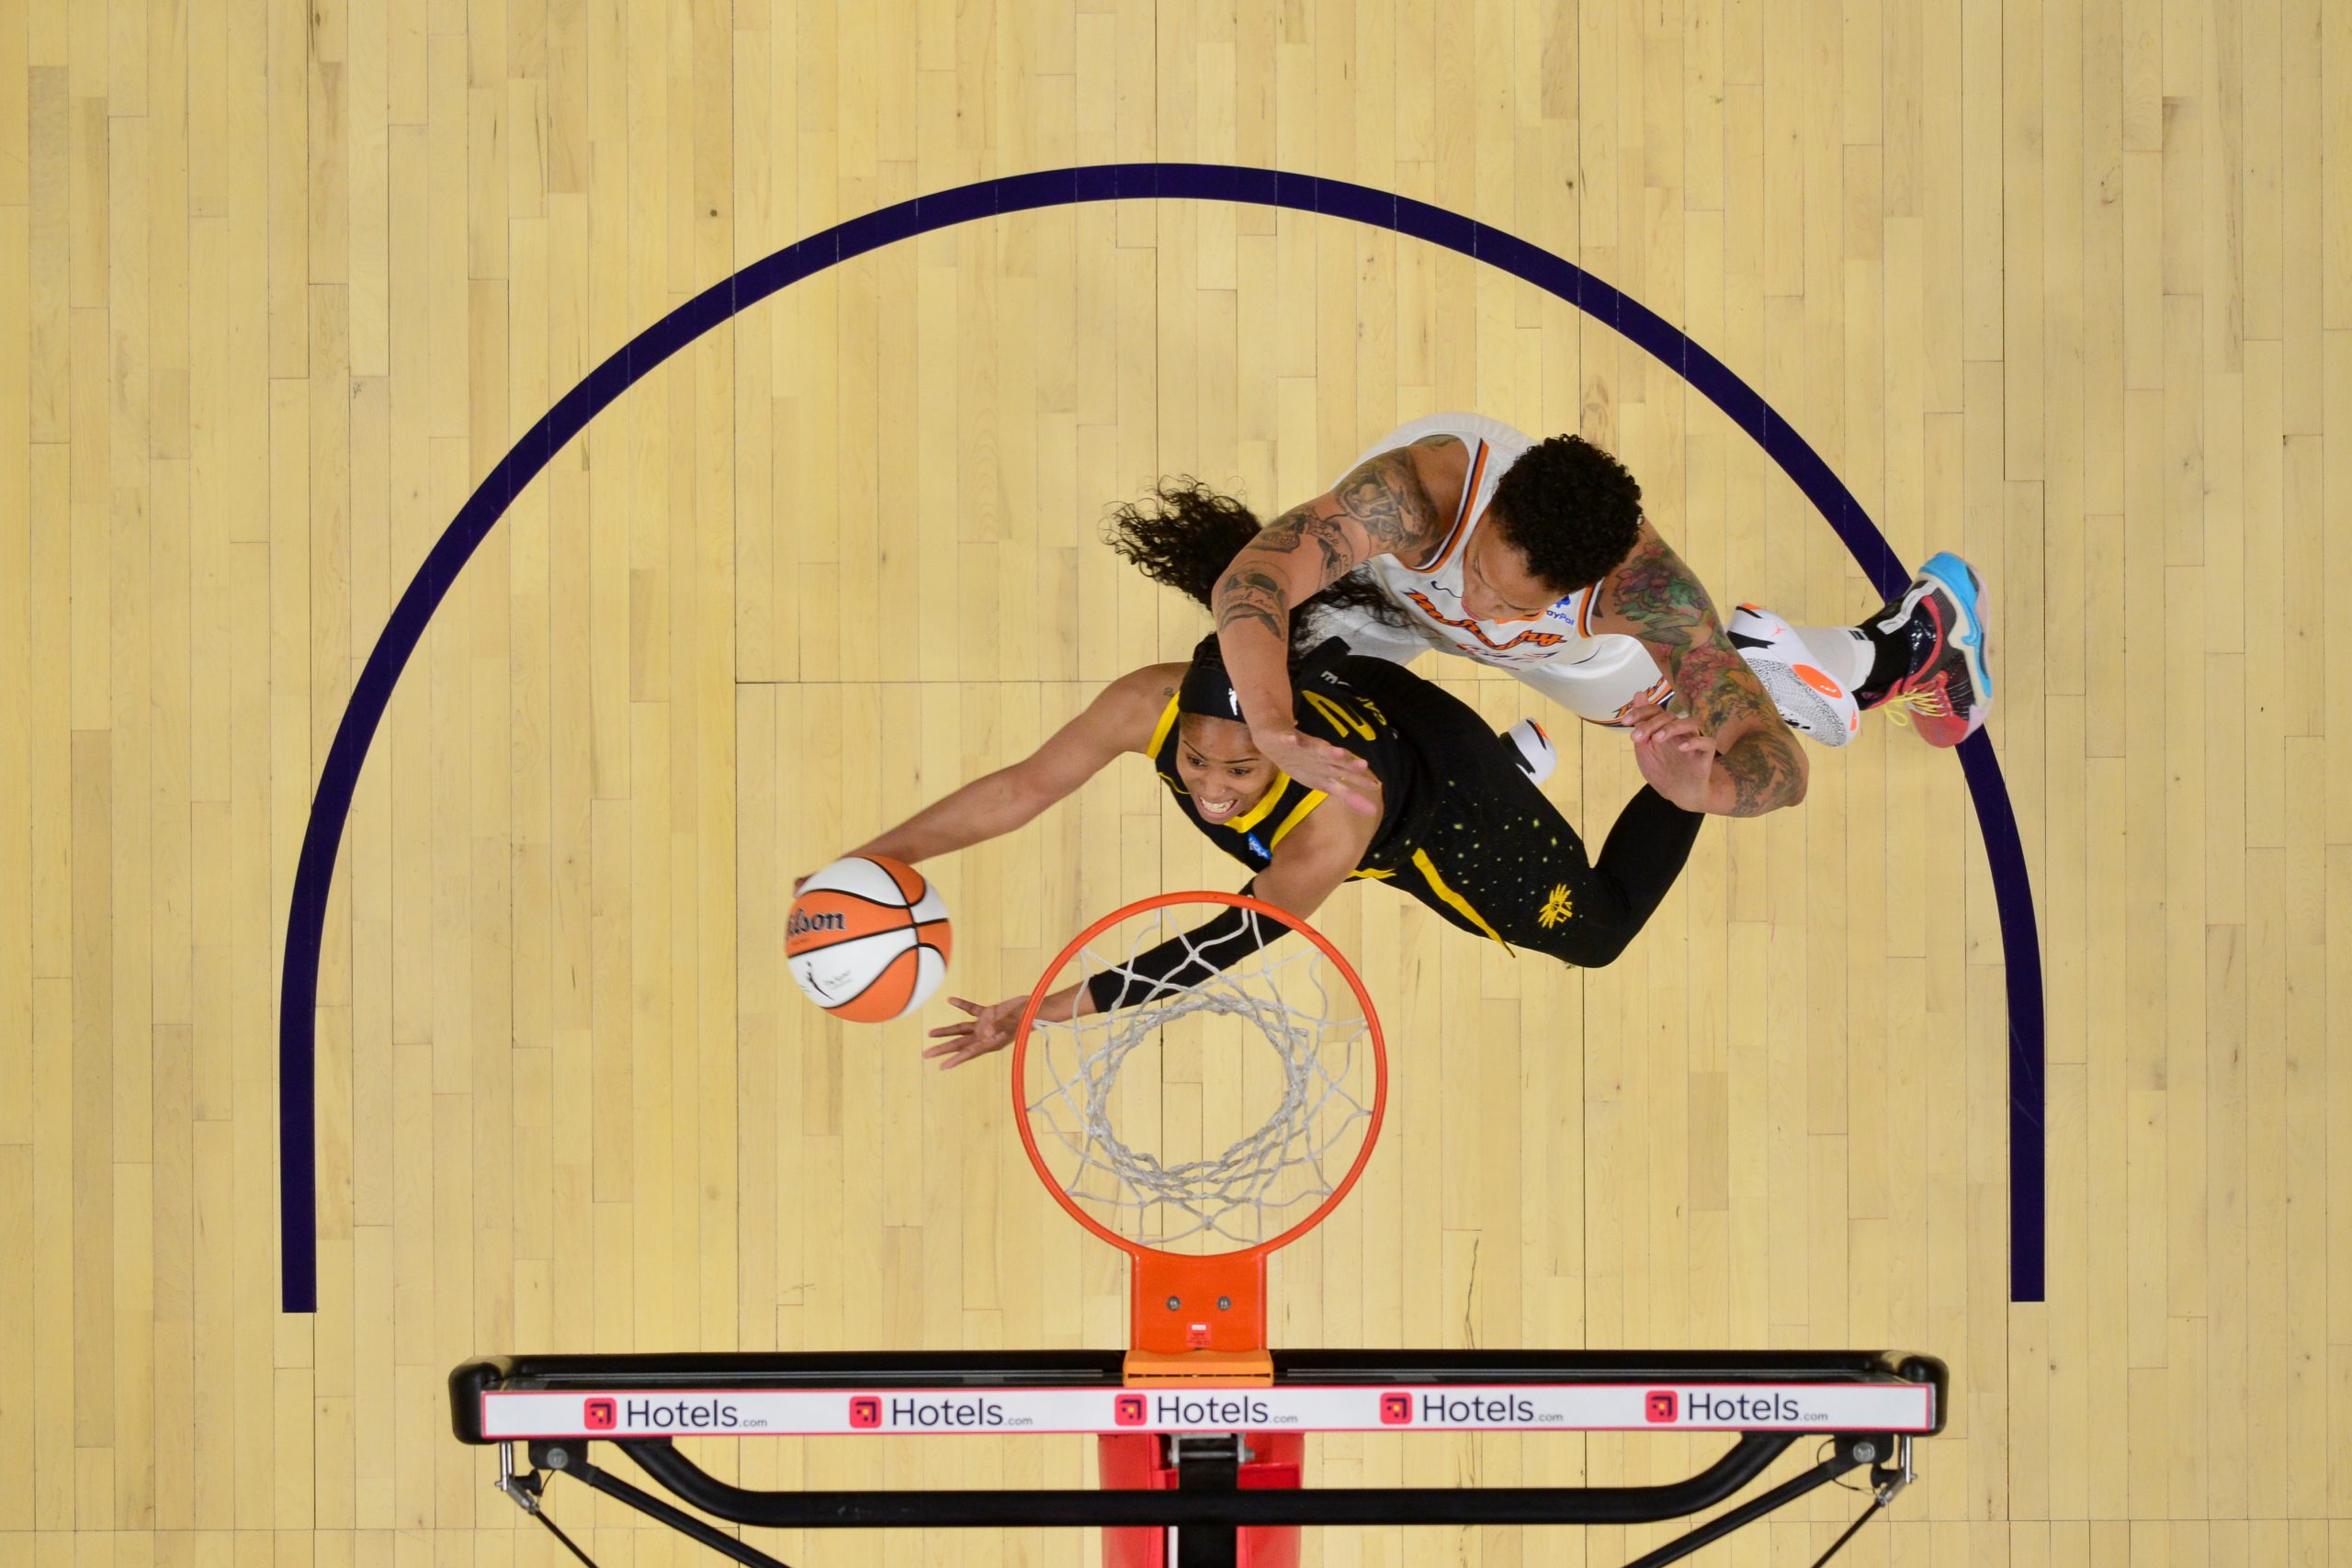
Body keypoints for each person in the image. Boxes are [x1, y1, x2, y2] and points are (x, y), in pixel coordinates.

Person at [825, 516, 1718, 1070]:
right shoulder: (1151, 700)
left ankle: (1681, 776)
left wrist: (1043, 1013)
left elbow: (1220, 945)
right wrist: (878, 857)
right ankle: (1514, 763)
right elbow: (1021, 788)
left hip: (1436, 813)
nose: (1210, 791)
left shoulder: (1329, 825)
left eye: (1238, 772)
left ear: (1279, 743)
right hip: (1358, 703)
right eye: (1195, 763)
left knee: (1597, 934)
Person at [1197, 412, 1993, 816]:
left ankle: (1908, 644)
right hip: (1394, 597)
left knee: (1683, 706)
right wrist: (1269, 724)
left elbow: (1781, 770)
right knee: (1251, 687)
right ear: (1493, 508)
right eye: (1480, 568)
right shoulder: (1409, 498)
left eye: (1508, 601)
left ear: (1589, 588)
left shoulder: (1645, 595)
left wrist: (1706, 789)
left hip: (1563, 657)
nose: (1477, 604)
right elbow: (1252, 579)